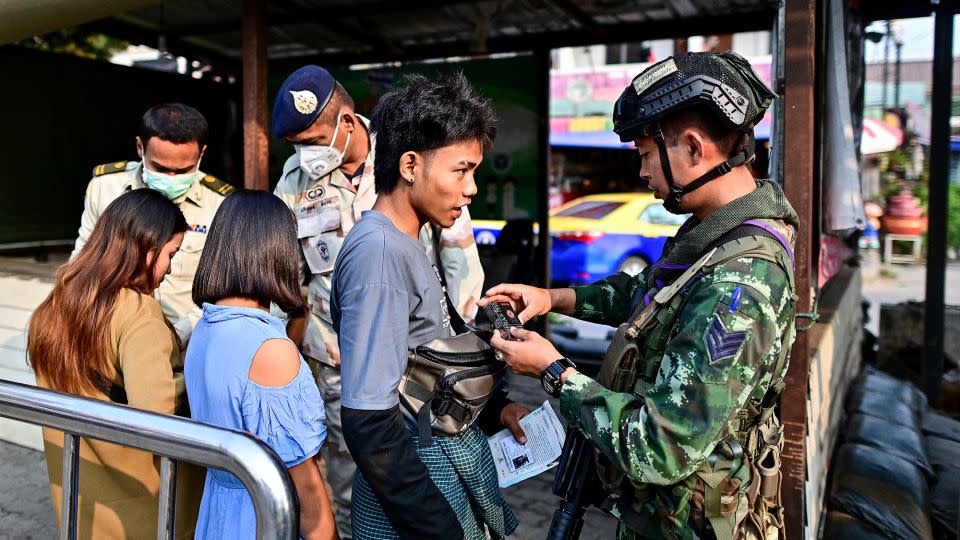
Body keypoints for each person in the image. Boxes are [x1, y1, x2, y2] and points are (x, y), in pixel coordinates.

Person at [482, 52, 798, 540]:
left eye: (645, 154)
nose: (642, 172)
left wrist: (553, 372)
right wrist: (552, 298)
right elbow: (651, 295)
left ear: (692, 148)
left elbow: (661, 446)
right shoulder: (713, 238)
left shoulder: (741, 281)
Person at [271, 64, 486, 538]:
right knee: (353, 489)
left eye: (314, 139)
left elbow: (459, 262)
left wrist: (473, 354)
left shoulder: (411, 154)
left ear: (347, 123)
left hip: (413, 363)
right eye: (297, 144)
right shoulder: (293, 183)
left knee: (416, 475)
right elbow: (287, 282)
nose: (307, 154)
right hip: (336, 363)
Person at [331, 72, 528, 539]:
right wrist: (439, 528)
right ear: (410, 166)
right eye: (461, 170)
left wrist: (497, 406)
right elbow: (369, 422)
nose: (472, 188)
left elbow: (416, 366)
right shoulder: (379, 256)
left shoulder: (406, 241)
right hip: (416, 484)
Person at [29, 189, 202, 539]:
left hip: (80, 501)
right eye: (171, 254)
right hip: (142, 510)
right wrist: (191, 375)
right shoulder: (138, 312)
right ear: (147, 249)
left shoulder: (62, 296)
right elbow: (154, 418)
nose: (169, 269)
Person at [186, 190, 338, 540]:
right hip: (262, 519)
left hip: (218, 515)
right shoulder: (269, 350)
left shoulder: (205, 328)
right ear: (278, 253)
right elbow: (307, 491)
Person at [73, 103, 235, 345]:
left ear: (201, 154)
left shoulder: (220, 204)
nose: (171, 178)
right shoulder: (105, 187)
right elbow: (81, 263)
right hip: (108, 335)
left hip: (185, 343)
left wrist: (176, 337)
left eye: (183, 170)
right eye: (160, 168)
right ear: (140, 147)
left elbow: (221, 290)